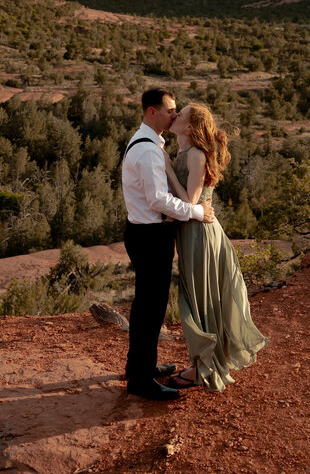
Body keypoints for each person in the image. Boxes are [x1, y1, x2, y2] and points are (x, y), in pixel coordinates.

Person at [164, 103, 268, 391]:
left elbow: (190, 203)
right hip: (191, 233)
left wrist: (168, 169)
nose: (175, 116)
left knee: (200, 298)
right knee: (198, 297)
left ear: (190, 126)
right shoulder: (184, 152)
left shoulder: (195, 155)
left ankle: (205, 367)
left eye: (181, 114)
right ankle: (204, 361)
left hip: (202, 235)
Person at [121, 88, 216, 401]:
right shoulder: (149, 150)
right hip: (150, 236)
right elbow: (158, 200)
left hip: (146, 233)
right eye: (169, 110)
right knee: (150, 307)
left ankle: (141, 367)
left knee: (147, 306)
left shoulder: (148, 143)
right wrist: (197, 211)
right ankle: (140, 381)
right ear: (152, 112)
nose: (174, 115)